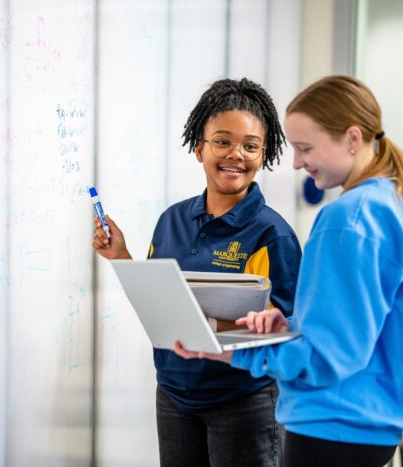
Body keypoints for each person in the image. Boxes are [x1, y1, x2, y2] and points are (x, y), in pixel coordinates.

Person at [174, 75, 403, 467]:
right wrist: (292, 322)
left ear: (353, 139)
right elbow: (358, 328)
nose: (296, 162)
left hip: (332, 426)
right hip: (365, 426)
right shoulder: (392, 206)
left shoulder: (347, 218)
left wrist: (226, 352)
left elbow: (327, 359)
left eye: (305, 148)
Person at [92, 78, 302, 467]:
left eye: (250, 146)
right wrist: (121, 256)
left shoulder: (272, 236)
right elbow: (159, 298)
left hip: (243, 401)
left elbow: (287, 331)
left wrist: (218, 326)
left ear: (263, 154)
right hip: (173, 394)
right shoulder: (171, 220)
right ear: (198, 148)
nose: (235, 155)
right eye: (222, 141)